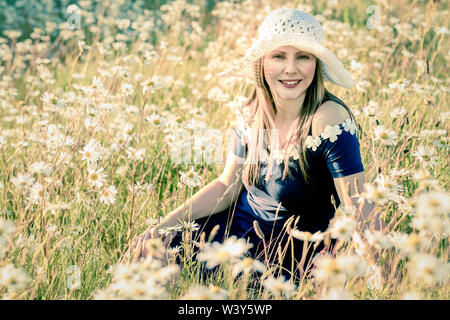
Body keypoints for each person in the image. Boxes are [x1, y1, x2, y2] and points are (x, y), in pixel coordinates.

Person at [129, 8, 386, 281]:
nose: (290, 68)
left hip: (284, 257)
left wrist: (390, 276)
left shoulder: (327, 119)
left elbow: (358, 207)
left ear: (316, 64)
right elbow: (225, 187)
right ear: (262, 63)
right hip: (229, 235)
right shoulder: (252, 111)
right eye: (278, 56)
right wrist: (161, 227)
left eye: (302, 57)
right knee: (152, 253)